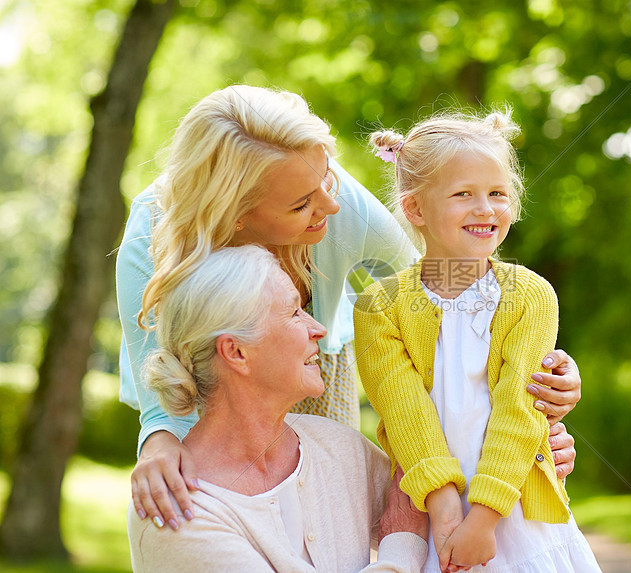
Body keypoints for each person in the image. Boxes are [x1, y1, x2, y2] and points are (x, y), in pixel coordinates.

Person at [116, 85, 582, 531]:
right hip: (210, 393)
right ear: (237, 214)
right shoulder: (155, 230)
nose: (332, 205)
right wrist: (160, 442)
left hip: (319, 370)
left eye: (325, 178)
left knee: (333, 524)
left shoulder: (334, 198)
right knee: (221, 515)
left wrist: (534, 396)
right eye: (303, 203)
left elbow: (444, 308)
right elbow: (160, 366)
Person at [354, 111, 601, 573]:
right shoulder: (378, 307)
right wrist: (449, 513)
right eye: (463, 194)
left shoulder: (529, 296)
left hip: (517, 516)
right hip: (432, 518)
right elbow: (405, 412)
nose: (485, 208)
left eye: (497, 194)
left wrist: (484, 519)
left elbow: (520, 409)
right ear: (416, 209)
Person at [127, 245, 429, 571]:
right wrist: (402, 546)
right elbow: (410, 524)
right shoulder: (174, 511)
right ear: (236, 352)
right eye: (295, 312)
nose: (318, 328)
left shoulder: (342, 449)